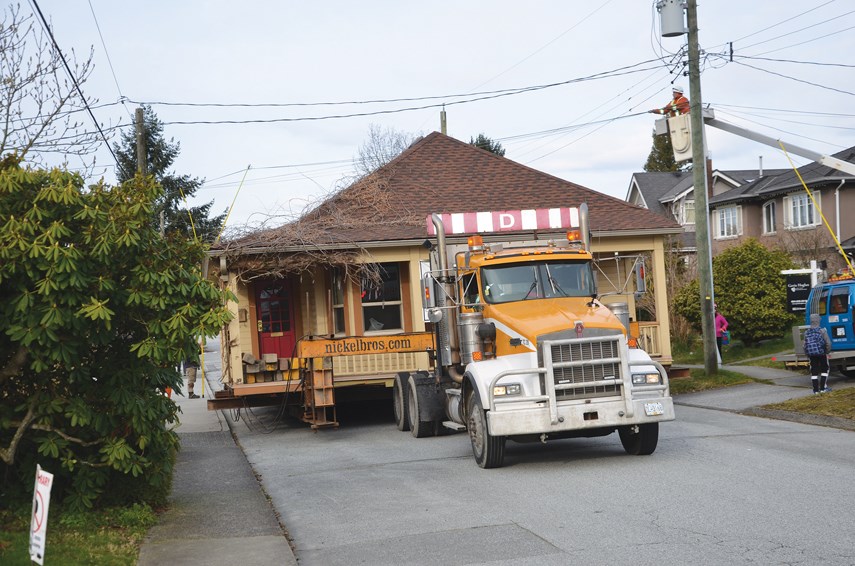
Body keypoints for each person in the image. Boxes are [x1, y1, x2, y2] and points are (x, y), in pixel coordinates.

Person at [803, 313, 832, 394]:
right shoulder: (822, 331)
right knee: (824, 369)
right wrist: (827, 351)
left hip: (812, 355)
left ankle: (815, 390)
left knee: (814, 371)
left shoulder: (807, 333)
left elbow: (804, 345)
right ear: (818, 320)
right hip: (822, 353)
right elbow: (828, 343)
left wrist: (807, 353)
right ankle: (823, 389)